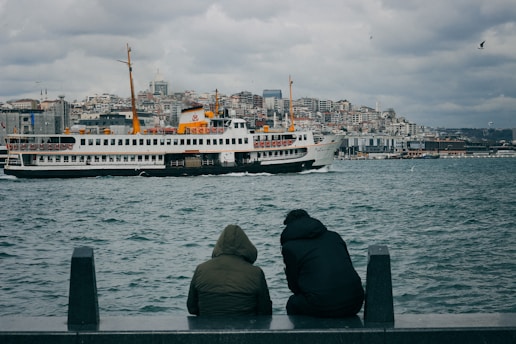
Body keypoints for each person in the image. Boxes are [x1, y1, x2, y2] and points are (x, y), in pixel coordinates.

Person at [280, 209, 364, 317]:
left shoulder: (289, 248)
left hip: (323, 305)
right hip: (355, 301)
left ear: (289, 227)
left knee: (293, 303)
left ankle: (301, 333)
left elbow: (294, 287)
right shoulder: (334, 236)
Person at [187, 224, 272, 316]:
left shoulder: (201, 269)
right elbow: (265, 311)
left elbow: (192, 308)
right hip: (245, 328)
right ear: (247, 246)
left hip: (208, 328)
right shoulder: (256, 273)